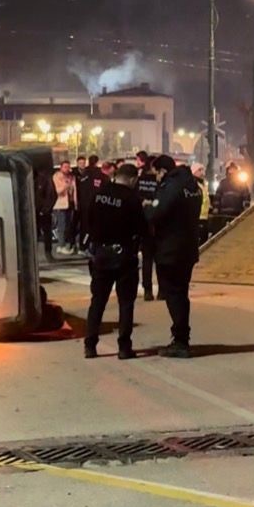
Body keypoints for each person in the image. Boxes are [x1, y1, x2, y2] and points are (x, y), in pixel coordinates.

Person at [84, 163, 148, 360]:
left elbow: (87, 219)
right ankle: (124, 347)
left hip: (101, 254)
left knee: (98, 302)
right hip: (124, 256)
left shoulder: (99, 193)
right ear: (131, 179)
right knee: (126, 303)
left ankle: (90, 345)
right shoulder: (131, 198)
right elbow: (142, 228)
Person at [146, 154, 203, 358]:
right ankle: (182, 337)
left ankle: (180, 341)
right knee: (181, 292)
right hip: (188, 247)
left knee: (174, 294)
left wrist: (147, 208)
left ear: (162, 171)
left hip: (170, 248)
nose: (156, 178)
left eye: (156, 174)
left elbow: (155, 213)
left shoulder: (171, 187)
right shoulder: (192, 185)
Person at [135, 155, 160, 301]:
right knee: (159, 258)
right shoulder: (160, 182)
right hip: (157, 223)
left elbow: (136, 197)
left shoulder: (140, 180)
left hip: (144, 223)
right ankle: (161, 290)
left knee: (147, 259)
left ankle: (147, 290)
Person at [52, 161, 77, 255]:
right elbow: (58, 191)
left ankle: (66, 244)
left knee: (68, 225)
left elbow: (74, 190)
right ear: (61, 167)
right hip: (60, 204)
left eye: (68, 167)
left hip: (69, 204)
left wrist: (75, 202)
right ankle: (60, 246)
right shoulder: (57, 176)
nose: (67, 169)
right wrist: (66, 185)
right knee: (61, 226)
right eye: (65, 167)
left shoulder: (71, 177)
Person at [190, 162, 211, 247]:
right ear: (194, 172)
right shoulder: (193, 184)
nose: (202, 172)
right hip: (197, 216)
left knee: (204, 239)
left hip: (204, 216)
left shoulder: (204, 184)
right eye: (199, 170)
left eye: (202, 170)